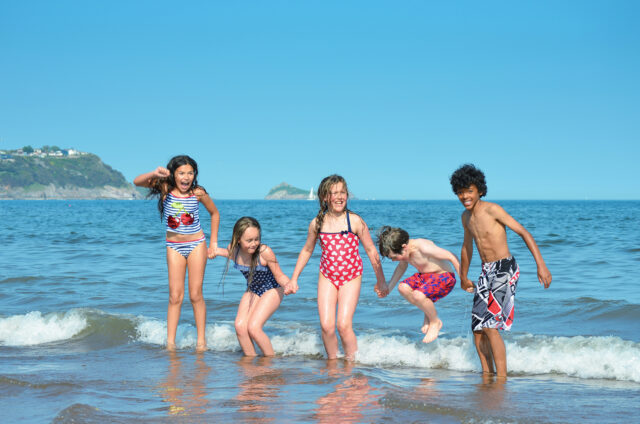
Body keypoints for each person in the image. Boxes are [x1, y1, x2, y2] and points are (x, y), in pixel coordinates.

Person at [450, 164, 552, 377]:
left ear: (479, 190)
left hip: (504, 267)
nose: (465, 196)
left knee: (490, 325)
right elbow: (466, 248)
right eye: (460, 192)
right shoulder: (465, 218)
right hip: (486, 271)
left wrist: (541, 265)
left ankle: (501, 379)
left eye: (469, 190)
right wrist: (462, 277)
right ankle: (487, 376)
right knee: (477, 328)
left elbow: (524, 232)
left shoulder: (493, 209)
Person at [285, 174, 387, 361]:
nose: (340, 197)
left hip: (351, 275)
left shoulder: (355, 221)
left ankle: (352, 362)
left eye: (343, 192)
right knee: (326, 326)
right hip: (327, 276)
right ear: (325, 197)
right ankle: (332, 362)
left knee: (343, 325)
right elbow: (307, 250)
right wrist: (294, 278)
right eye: (334, 193)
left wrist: (381, 281)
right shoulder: (317, 223)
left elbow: (372, 250)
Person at [134, 155, 220, 352]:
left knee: (196, 294)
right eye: (182, 173)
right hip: (173, 246)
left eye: (190, 173)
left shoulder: (198, 193)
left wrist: (213, 243)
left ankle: (201, 342)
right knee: (175, 296)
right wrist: (154, 174)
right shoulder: (165, 189)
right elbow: (137, 182)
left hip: (197, 244)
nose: (186, 177)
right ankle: (170, 343)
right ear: (173, 174)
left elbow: (215, 214)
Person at [216, 217, 289, 357]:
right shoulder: (234, 250)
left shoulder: (264, 252)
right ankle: (250, 361)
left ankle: (270, 361)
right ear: (238, 239)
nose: (254, 244)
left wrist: (289, 284)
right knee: (240, 326)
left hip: (272, 288)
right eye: (249, 240)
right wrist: (215, 252)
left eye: (257, 239)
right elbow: (228, 254)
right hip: (253, 289)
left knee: (254, 328)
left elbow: (279, 275)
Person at [377, 226, 461, 343]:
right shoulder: (403, 248)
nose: (394, 260)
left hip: (444, 277)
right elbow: (401, 267)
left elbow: (452, 256)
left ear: (404, 247)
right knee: (403, 288)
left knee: (418, 295)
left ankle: (435, 322)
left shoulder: (423, 247)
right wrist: (389, 288)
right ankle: (428, 314)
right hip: (425, 277)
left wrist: (464, 279)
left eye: (394, 257)